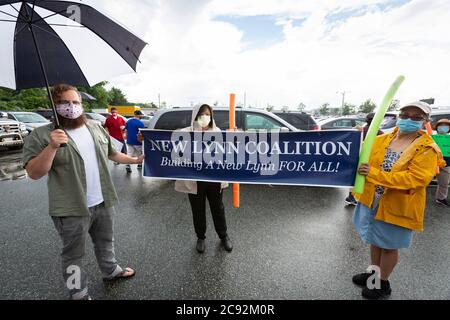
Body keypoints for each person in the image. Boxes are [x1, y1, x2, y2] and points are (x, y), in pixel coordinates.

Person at [23, 84, 144, 300]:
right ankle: (77, 291)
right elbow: (33, 172)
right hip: (70, 208)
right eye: (64, 103)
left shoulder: (94, 127)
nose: (72, 107)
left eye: (76, 102)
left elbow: (112, 153)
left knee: (106, 240)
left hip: (102, 201)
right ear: (54, 105)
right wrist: (51, 147)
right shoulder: (42, 135)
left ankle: (110, 270)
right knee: (73, 254)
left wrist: (135, 160)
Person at [351, 101, 444, 300]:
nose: (409, 119)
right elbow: (362, 160)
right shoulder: (383, 138)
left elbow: (416, 179)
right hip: (372, 200)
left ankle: (382, 283)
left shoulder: (427, 148)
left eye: (416, 117)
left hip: (398, 204)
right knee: (375, 240)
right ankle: (373, 274)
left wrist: (374, 174)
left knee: (389, 245)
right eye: (405, 114)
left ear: (426, 121)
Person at [175, 104, 233, 253]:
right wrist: (146, 138)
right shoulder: (187, 132)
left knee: (218, 209)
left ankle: (223, 235)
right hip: (195, 180)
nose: (204, 117)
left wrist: (236, 136)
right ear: (195, 116)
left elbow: (229, 150)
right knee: (198, 210)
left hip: (214, 180)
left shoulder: (217, 131)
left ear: (211, 116)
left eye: (207, 114)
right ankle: (201, 237)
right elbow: (168, 139)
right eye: (201, 114)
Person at [345, 112, 383, 206]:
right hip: (370, 160)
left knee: (356, 178)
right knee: (364, 180)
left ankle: (351, 196)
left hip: (357, 158)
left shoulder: (361, 130)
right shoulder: (379, 133)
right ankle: (358, 198)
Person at [434, 119, 450, 207]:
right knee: (422, 181)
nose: (443, 127)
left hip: (446, 164)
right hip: (431, 163)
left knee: (444, 183)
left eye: (446, 125)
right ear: (437, 127)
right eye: (441, 125)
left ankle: (441, 198)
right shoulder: (431, 137)